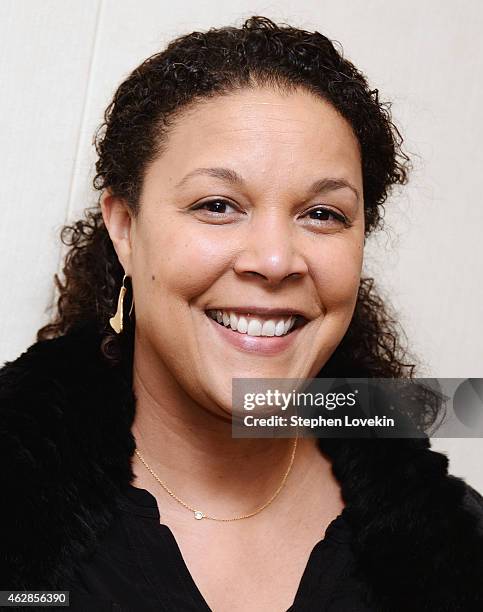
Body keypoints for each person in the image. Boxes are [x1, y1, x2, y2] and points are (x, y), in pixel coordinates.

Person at [1, 15, 482, 612]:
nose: (276, 259)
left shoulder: (458, 550)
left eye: (323, 214)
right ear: (125, 229)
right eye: (218, 205)